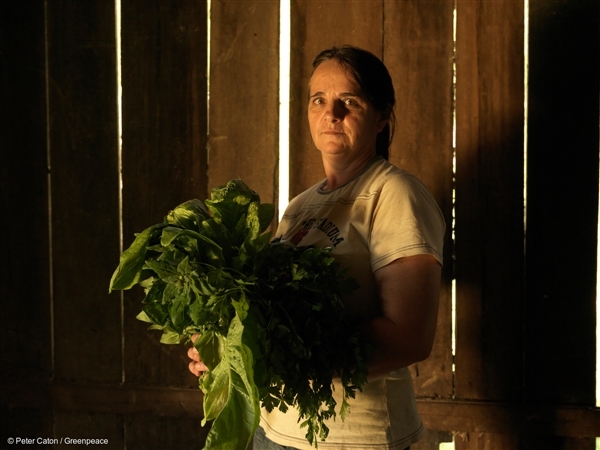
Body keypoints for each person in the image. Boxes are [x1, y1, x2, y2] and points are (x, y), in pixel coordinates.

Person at [189, 45, 445, 450]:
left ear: (381, 117)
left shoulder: (394, 194)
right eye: (319, 100)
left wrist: (269, 359)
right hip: (274, 430)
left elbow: (408, 338)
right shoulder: (302, 206)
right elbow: (270, 312)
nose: (332, 113)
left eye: (349, 101)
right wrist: (230, 352)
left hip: (352, 439)